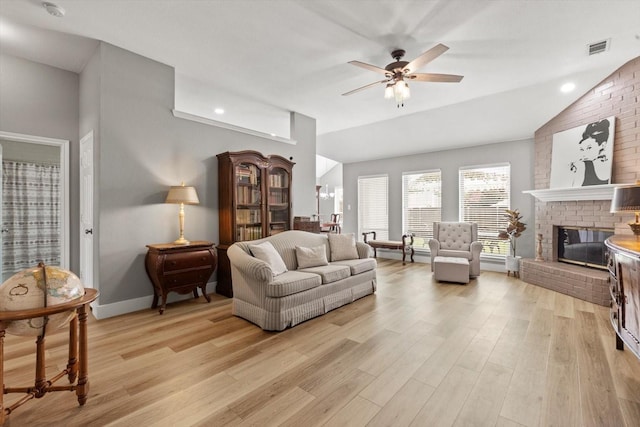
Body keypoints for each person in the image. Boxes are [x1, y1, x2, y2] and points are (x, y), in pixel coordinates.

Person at [569, 118, 611, 186]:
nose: (584, 154)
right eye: (582, 149)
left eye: (589, 148)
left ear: (603, 145)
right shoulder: (582, 166)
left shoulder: (583, 165)